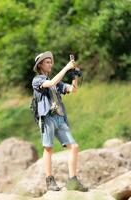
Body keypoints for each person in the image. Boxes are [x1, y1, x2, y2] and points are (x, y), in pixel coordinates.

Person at [31, 51, 88, 192]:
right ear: (40, 65)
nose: (50, 64)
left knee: (74, 147)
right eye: (47, 62)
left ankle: (72, 180)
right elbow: (51, 82)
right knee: (48, 148)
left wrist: (74, 76)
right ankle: (50, 180)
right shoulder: (37, 80)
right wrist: (67, 67)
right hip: (47, 117)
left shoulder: (57, 81)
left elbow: (73, 90)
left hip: (60, 117)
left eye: (51, 61)